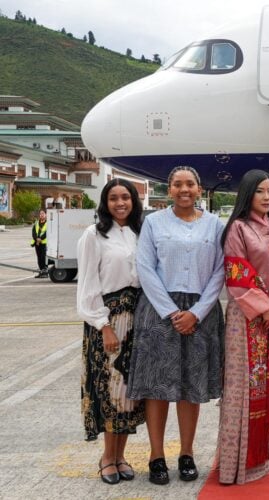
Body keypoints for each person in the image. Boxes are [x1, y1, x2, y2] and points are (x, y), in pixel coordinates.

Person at [127, 166, 225, 485]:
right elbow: (145, 269)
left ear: (199, 189)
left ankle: (186, 453)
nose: (184, 189)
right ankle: (157, 456)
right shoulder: (154, 222)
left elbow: (219, 272)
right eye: (177, 184)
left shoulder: (214, 225)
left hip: (201, 313)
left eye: (190, 184)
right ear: (168, 189)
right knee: (157, 388)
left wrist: (196, 312)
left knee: (189, 388)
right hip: (159, 312)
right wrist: (172, 312)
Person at [216, 170, 269, 484]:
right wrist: (266, 308)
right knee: (244, 388)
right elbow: (237, 274)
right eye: (260, 191)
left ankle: (261, 456)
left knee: (264, 388)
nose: (267, 197)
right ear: (248, 194)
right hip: (247, 317)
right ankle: (238, 463)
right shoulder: (238, 228)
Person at [76, 179, 146, 484]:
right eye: (114, 198)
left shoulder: (141, 232)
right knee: (108, 390)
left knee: (128, 394)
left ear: (134, 200)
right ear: (105, 202)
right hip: (108, 320)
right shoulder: (93, 235)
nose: (121, 203)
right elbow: (88, 285)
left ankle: (121, 456)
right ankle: (107, 457)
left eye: (126, 197)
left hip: (138, 319)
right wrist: (102, 324)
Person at [31, 210, 48, 277]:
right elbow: (33, 232)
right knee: (39, 258)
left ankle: (45, 272)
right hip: (37, 243)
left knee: (43, 257)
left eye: (43, 213)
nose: (41, 215)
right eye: (40, 214)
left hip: (44, 243)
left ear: (46, 215)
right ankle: (41, 272)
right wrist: (36, 239)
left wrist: (41, 238)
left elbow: (47, 232)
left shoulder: (48, 223)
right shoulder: (36, 223)